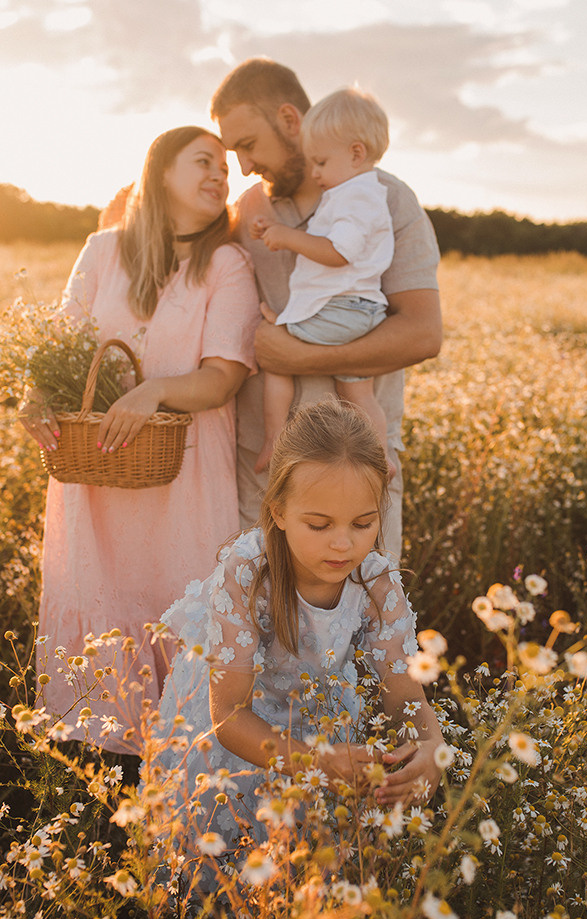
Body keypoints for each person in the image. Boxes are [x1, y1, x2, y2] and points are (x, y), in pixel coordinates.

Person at [22, 126, 261, 754]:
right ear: (160, 173)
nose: (221, 176)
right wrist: (36, 402)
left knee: (176, 610)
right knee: (100, 614)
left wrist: (153, 392)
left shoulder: (226, 263)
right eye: (204, 162)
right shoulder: (102, 251)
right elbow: (54, 351)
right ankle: (99, 785)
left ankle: (180, 780)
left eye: (226, 171)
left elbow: (223, 376)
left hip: (181, 479)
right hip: (95, 474)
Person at [152, 399, 445, 867]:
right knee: (232, 871)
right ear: (279, 511)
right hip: (243, 734)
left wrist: (433, 747)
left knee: (314, 872)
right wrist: (314, 762)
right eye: (319, 524)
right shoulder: (249, 573)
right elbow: (228, 714)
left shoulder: (376, 583)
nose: (343, 543)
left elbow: (404, 697)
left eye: (363, 523)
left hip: (324, 725)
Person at [210, 58, 443, 559]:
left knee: (360, 632)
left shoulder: (387, 201)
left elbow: (423, 333)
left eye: (248, 145)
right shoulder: (248, 210)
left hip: (356, 476)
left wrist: (296, 357)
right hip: (262, 472)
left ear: (290, 121)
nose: (244, 167)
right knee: (255, 630)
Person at [250, 88, 395, 477]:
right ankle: (382, 455)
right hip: (359, 309)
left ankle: (273, 439)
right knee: (358, 392)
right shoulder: (361, 193)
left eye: (321, 162)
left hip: (343, 308)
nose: (314, 173)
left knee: (278, 356)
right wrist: (275, 228)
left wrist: (285, 237)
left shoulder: (354, 196)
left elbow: (337, 252)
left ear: (356, 153)